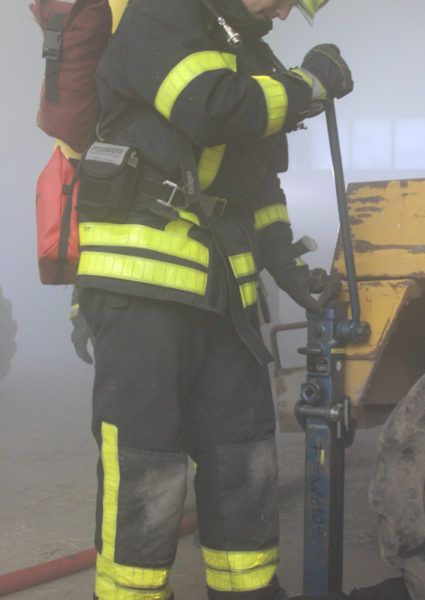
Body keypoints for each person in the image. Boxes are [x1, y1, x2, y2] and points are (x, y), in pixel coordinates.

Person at [70, 0, 354, 599]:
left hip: (224, 295)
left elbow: (258, 186)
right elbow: (212, 108)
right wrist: (310, 85)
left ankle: (247, 591)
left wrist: (290, 270)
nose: (283, 13)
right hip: (140, 289)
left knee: (242, 455)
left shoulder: (251, 53)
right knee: (148, 460)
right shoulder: (163, 15)